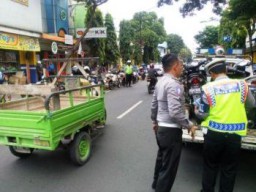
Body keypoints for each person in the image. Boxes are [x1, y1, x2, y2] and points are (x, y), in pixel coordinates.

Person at [194, 59, 255, 192]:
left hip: (214, 134)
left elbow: (203, 114)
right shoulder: (242, 85)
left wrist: (196, 111)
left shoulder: (208, 88)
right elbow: (252, 105)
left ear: (212, 73)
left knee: (210, 166)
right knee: (229, 169)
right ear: (226, 70)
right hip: (235, 135)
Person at [151, 53, 197, 192]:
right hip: (171, 131)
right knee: (169, 168)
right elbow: (175, 111)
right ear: (175, 66)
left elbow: (154, 105)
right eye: (181, 65)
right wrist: (189, 124)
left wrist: (154, 121)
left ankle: (155, 184)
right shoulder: (174, 84)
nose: (182, 68)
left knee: (162, 159)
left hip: (161, 129)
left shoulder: (161, 81)